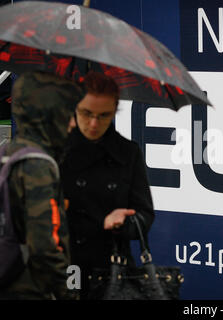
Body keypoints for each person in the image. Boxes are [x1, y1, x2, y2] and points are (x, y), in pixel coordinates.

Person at [61, 72, 155, 299]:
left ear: (114, 112)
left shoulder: (127, 152)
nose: (94, 123)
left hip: (112, 269)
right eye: (86, 113)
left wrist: (122, 223)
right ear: (74, 108)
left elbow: (145, 214)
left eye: (104, 116)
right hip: (65, 266)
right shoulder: (56, 151)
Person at [0, 71, 84, 299]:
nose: (73, 124)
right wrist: (66, 293)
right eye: (67, 114)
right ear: (50, 115)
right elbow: (43, 247)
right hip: (26, 289)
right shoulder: (38, 165)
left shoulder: (7, 152)